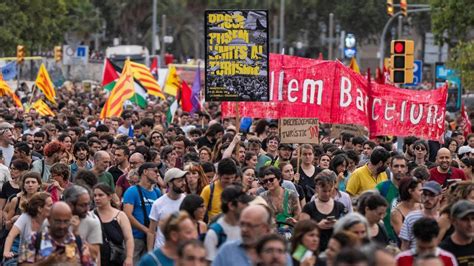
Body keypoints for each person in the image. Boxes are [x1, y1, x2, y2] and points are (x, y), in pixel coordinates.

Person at [17, 201, 93, 265]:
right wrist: (45, 263)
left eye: (66, 221)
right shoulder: (34, 239)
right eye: (57, 221)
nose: (62, 226)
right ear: (49, 219)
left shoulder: (78, 241)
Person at [122, 162, 162, 263]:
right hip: (135, 238)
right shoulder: (132, 191)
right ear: (145, 172)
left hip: (152, 239)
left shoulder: (157, 192)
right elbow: (127, 215)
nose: (158, 174)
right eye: (155, 171)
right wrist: (147, 230)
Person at [300, 169, 347, 251]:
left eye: (330, 190)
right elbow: (301, 232)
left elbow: (348, 229)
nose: (327, 194)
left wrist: (338, 224)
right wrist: (318, 226)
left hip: (335, 249)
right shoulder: (308, 208)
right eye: (324, 191)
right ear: (317, 188)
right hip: (314, 249)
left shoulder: (340, 207)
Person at [204, 184, 253, 261]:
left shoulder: (248, 228)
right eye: (244, 202)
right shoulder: (214, 234)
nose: (248, 205)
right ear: (231, 206)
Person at [3, 192, 52, 260]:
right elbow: (11, 235)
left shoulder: (48, 221)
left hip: (41, 258)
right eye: (50, 205)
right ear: (40, 209)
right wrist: (6, 252)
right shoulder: (25, 217)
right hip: (25, 258)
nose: (53, 207)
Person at [93, 183, 134, 266]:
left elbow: (129, 238)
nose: (97, 198)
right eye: (95, 195)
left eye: (101, 195)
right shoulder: (91, 216)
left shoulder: (120, 215)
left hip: (116, 260)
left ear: (109, 197)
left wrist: (129, 257)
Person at [148, 168, 187, 250]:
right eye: (180, 181)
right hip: (161, 251)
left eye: (184, 180)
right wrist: (150, 253)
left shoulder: (186, 201)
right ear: (170, 183)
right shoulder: (158, 204)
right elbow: (151, 232)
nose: (184, 183)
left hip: (180, 252)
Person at [63, 185, 103, 263]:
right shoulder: (54, 219)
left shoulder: (92, 221)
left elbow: (94, 254)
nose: (87, 208)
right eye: (82, 205)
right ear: (70, 204)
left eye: (88, 204)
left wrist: (76, 235)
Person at [399, 181, 442, 250]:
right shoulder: (411, 217)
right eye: (424, 194)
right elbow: (404, 246)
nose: (427, 199)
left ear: (440, 196)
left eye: (432, 195)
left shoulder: (443, 218)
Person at [376, 155, 408, 241]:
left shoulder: (412, 188)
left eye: (402, 166)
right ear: (390, 167)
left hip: (407, 239)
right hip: (386, 238)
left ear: (407, 168)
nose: (399, 169)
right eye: (396, 166)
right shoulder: (381, 187)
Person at [260, 166, 301, 232]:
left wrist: (289, 223)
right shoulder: (262, 197)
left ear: (279, 179)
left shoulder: (291, 194)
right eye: (265, 181)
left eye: (271, 179)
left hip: (290, 230)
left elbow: (298, 214)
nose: (268, 182)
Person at [201, 158, 238, 222]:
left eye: (232, 177)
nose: (230, 181)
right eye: (226, 178)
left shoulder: (237, 191)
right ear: (218, 175)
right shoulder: (208, 190)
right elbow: (200, 214)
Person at [439, 200, 474, 265]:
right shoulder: (443, 251)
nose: (470, 224)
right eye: (465, 219)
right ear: (453, 221)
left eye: (473, 219)